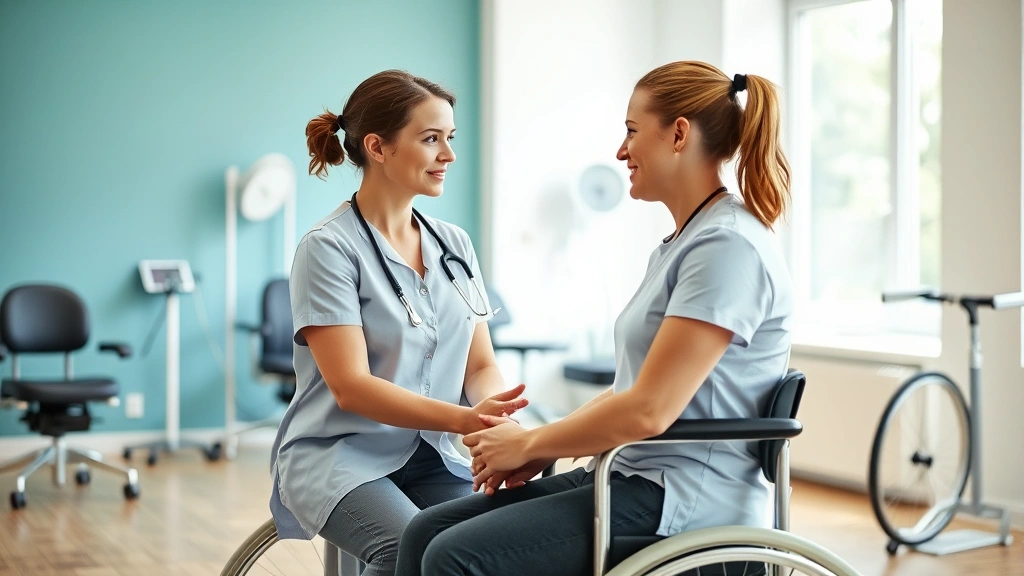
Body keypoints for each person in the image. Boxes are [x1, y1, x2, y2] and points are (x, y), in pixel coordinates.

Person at [394, 60, 794, 576]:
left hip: (682, 501)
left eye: (631, 131)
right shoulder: (685, 243)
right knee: (425, 531)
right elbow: (637, 388)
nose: (621, 151)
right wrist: (540, 447)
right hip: (634, 476)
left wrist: (531, 442)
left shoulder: (727, 247)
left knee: (454, 556)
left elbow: (649, 411)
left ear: (678, 134)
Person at [268, 70, 528, 576]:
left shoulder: (454, 244)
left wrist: (498, 419)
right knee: (409, 550)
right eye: (431, 139)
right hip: (339, 455)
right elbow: (352, 388)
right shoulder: (328, 249)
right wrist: (464, 420)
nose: (448, 155)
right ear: (378, 147)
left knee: (490, 548)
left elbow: (480, 365)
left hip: (431, 454)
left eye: (450, 139)